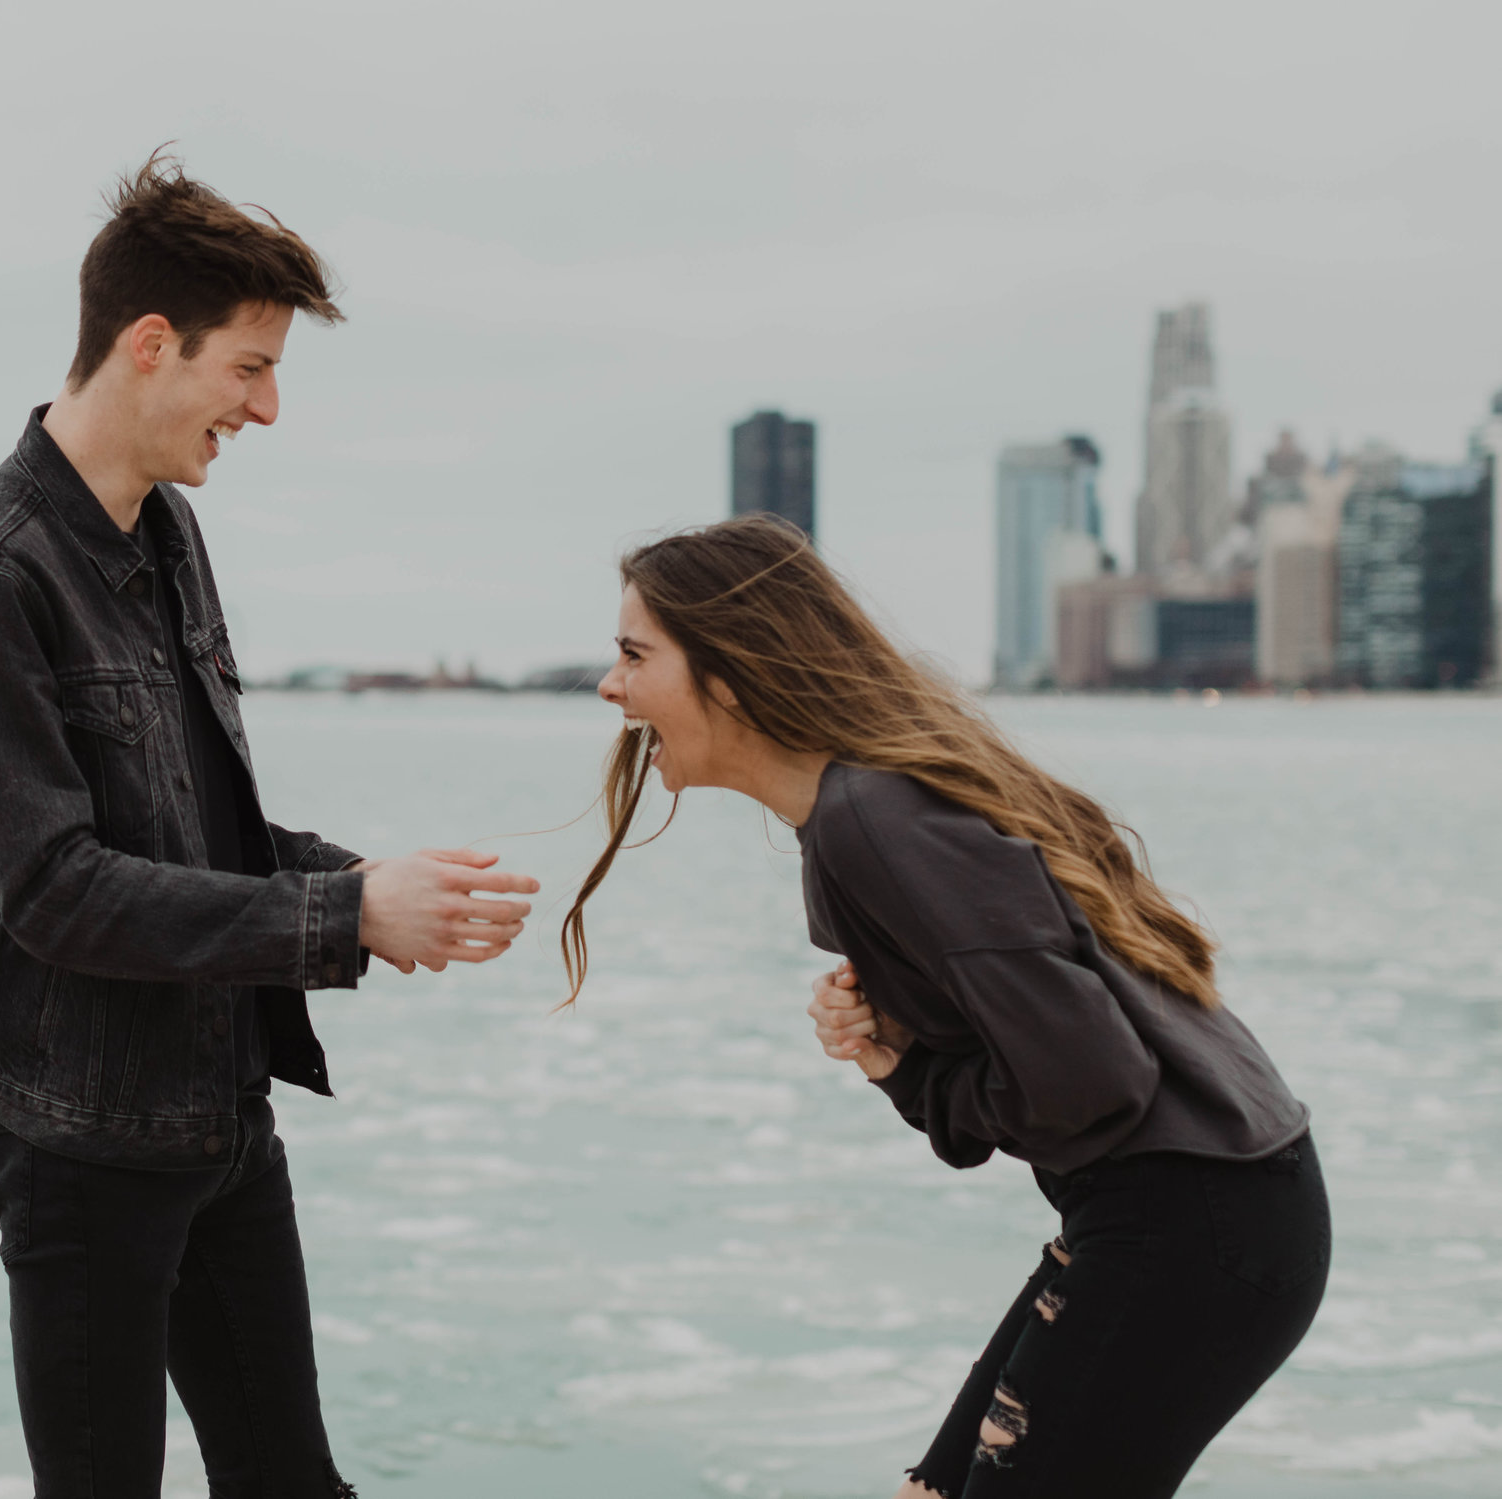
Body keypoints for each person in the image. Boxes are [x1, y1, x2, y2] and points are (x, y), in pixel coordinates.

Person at [0, 154, 539, 1499]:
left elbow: (202, 828)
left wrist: (370, 879)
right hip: (78, 1148)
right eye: (249, 366)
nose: (270, 405)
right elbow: (56, 889)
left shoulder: (170, 533)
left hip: (222, 1118)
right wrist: (346, 914)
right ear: (149, 345)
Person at [559, 515, 1327, 1499]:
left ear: (732, 669)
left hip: (1193, 1220)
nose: (608, 684)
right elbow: (1057, 1052)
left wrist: (917, 1076)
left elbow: (1091, 1081)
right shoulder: (863, 808)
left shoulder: (872, 817)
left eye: (632, 653)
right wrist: (905, 1058)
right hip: (1200, 1202)